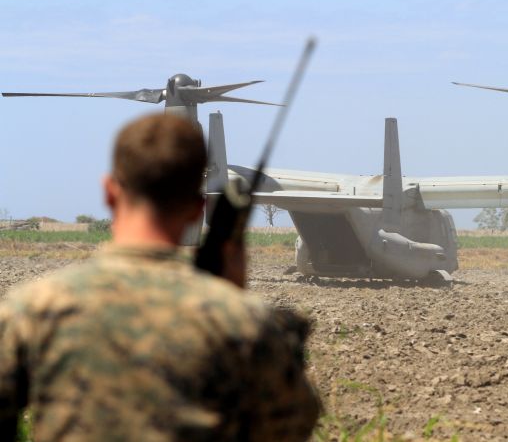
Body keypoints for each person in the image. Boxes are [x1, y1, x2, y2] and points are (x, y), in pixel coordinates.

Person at [0, 113, 320, 441]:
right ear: (198, 207)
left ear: (110, 192)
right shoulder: (243, 322)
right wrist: (231, 297)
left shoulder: (32, 309)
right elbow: (291, 428)